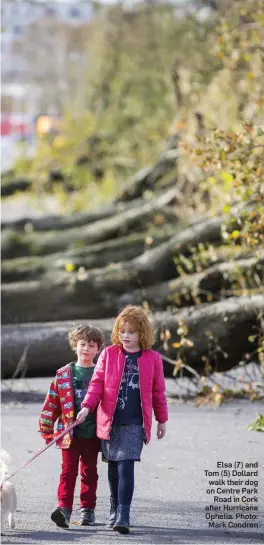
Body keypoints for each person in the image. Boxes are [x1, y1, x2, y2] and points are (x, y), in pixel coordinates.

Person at [77, 306, 168, 534]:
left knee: (126, 467)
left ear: (142, 334)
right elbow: (97, 384)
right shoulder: (109, 354)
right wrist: (87, 406)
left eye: (132, 332)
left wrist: (162, 420)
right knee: (114, 468)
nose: (126, 336)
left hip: (135, 423)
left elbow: (158, 392)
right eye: (122, 330)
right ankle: (114, 506)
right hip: (110, 420)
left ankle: (124, 513)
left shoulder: (152, 359)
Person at [39, 324, 104, 529]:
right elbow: (52, 403)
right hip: (69, 434)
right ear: (74, 345)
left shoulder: (101, 373)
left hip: (92, 434)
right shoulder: (63, 374)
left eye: (91, 345)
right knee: (67, 473)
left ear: (98, 349)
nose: (86, 349)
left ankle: (88, 510)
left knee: (89, 472)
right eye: (82, 344)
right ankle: (64, 509)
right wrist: (46, 428)